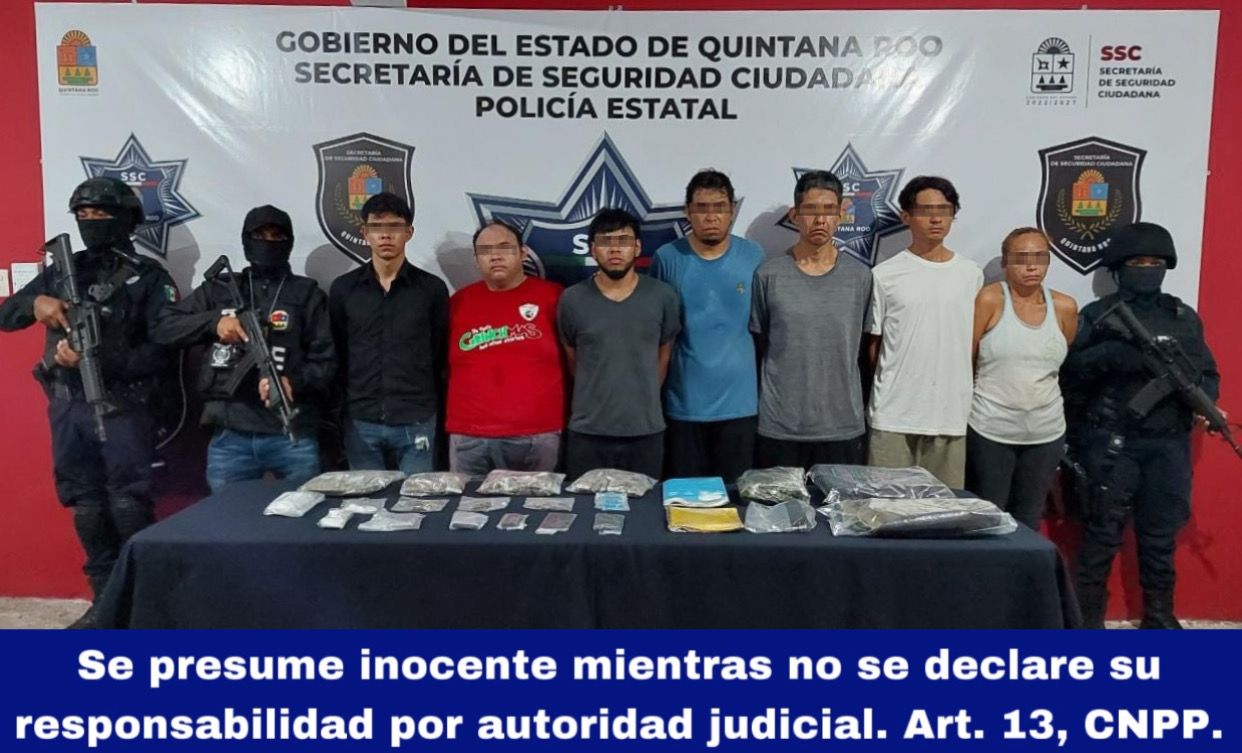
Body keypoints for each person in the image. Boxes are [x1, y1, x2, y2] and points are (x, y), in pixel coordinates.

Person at [0, 177, 176, 627]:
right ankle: (104, 604)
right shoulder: (64, 271)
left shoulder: (148, 276)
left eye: (102, 213)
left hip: (123, 405)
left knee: (128, 503)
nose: (92, 221)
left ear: (127, 218)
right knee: (86, 503)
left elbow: (163, 350)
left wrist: (104, 359)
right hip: (68, 405)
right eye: (84, 214)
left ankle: (141, 606)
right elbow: (6, 317)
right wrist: (36, 302)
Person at [1062, 222, 1221, 629]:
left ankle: (1159, 615)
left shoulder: (1183, 317)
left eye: (1154, 263)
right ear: (1119, 268)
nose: (1147, 270)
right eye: (1138, 263)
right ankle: (1086, 623)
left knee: (1160, 534)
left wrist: (1206, 401)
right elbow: (1070, 376)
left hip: (1168, 444)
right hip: (1112, 442)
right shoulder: (1099, 316)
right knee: (1101, 534)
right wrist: (1110, 357)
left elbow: (1207, 372)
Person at [153, 205, 334, 492]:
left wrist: (292, 382)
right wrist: (214, 322)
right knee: (227, 517)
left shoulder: (307, 294)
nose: (268, 243)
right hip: (230, 434)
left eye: (276, 236)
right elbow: (163, 328)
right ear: (246, 240)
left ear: (289, 242)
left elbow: (326, 363)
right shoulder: (220, 289)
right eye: (259, 236)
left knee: (303, 514)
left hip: (292, 432)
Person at [750, 170, 872, 468]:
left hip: (842, 426)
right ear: (795, 216)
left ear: (841, 215)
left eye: (829, 210)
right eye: (810, 210)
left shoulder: (860, 277)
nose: (820, 220)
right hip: (781, 426)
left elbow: (864, 347)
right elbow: (760, 343)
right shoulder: (768, 275)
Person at [868, 176, 983, 488]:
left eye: (945, 210)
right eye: (926, 210)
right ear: (906, 216)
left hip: (949, 416)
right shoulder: (884, 275)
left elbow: (974, 344)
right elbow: (874, 347)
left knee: (943, 511)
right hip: (893, 417)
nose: (936, 219)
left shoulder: (971, 275)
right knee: (886, 508)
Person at [651, 169, 764, 481]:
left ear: (732, 211)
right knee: (686, 501)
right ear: (688, 211)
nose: (711, 216)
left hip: (740, 406)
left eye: (719, 207)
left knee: (734, 499)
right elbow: (657, 330)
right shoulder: (667, 258)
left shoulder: (753, 255)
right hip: (683, 405)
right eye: (702, 208)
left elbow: (765, 327)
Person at [965, 228, 1077, 530]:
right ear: (1005, 262)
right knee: (988, 518)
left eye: (1040, 257)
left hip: (1046, 433)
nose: (1031, 266)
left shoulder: (1065, 307)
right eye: (1021, 258)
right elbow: (967, 359)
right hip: (990, 429)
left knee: (1029, 517)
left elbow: (1062, 362)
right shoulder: (990, 300)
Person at [329, 192, 449, 474]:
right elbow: (339, 351)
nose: (386, 235)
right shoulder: (343, 289)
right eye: (377, 227)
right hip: (361, 419)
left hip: (417, 417)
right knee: (365, 500)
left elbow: (439, 351)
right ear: (364, 233)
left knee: (418, 499)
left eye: (395, 227)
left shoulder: (431, 289)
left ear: (409, 233)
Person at [557, 208, 680, 479]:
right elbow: (573, 359)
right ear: (592, 249)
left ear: (637, 247)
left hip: (646, 431)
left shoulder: (662, 296)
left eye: (623, 241)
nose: (615, 249)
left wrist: (643, 392)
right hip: (588, 433)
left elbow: (664, 353)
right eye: (605, 241)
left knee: (645, 505)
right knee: (585, 506)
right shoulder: (571, 300)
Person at [446, 220, 564, 473]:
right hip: (468, 436)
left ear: (523, 252)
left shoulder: (555, 298)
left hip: (537, 435)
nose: (496, 256)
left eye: (504, 247)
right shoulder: (458, 302)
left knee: (536, 501)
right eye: (485, 250)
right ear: (476, 259)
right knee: (466, 501)